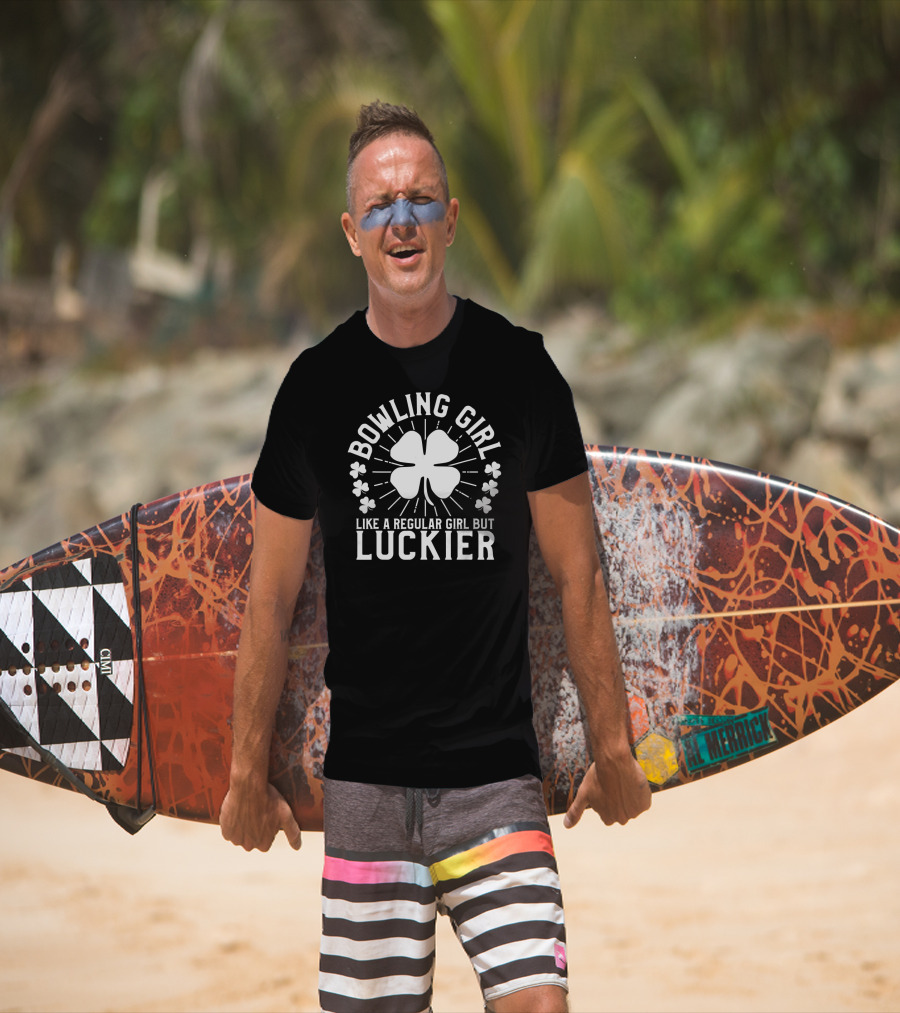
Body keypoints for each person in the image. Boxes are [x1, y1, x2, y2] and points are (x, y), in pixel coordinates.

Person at [220, 100, 651, 1013]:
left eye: (421, 200)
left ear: (451, 219)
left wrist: (612, 746)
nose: (402, 220)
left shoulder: (522, 372)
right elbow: (270, 600)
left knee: (540, 1003)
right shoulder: (313, 390)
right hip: (367, 787)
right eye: (380, 206)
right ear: (351, 233)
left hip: (496, 780)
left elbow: (579, 574)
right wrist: (242, 772)